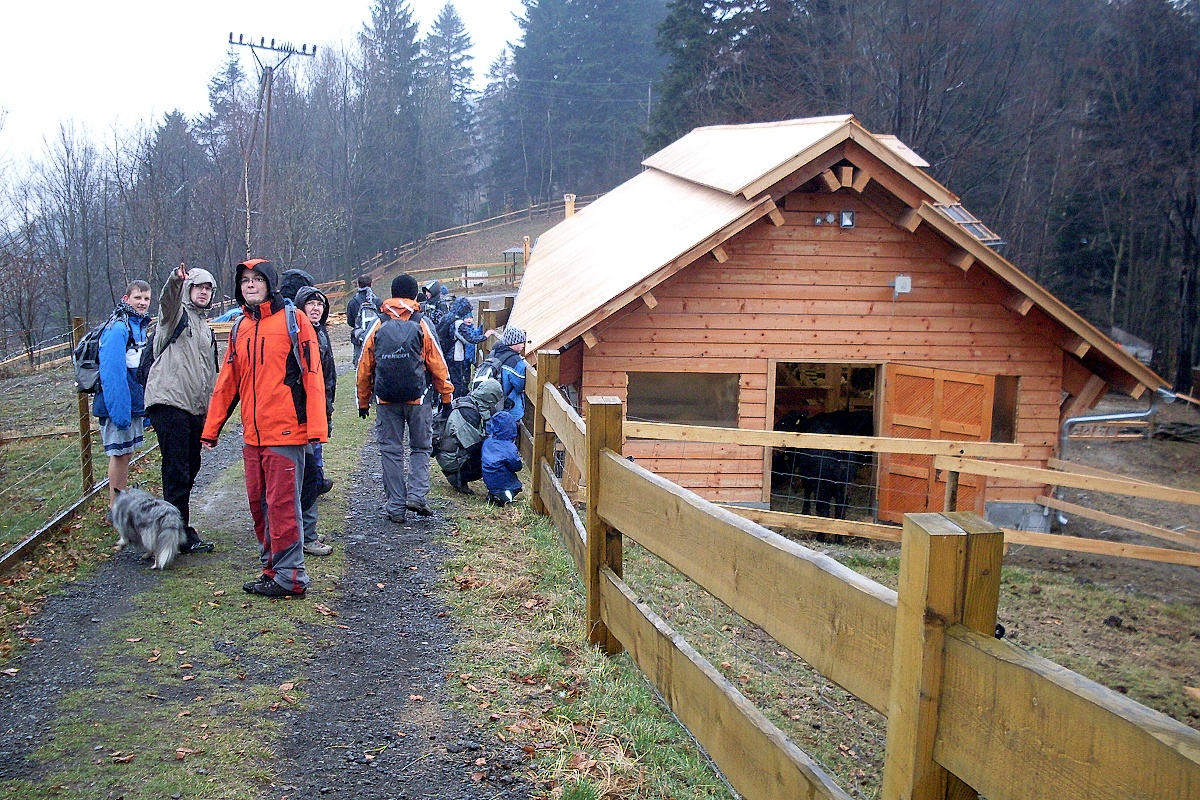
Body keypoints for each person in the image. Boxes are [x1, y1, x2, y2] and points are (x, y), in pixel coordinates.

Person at [201, 259, 328, 598]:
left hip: (286, 434)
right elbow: (228, 381)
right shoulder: (241, 327)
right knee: (259, 505)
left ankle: (291, 577)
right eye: (245, 280)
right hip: (252, 436)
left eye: (257, 279)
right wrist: (211, 429)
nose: (251, 285)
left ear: (270, 283)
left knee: (283, 506)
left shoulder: (295, 320)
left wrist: (315, 430)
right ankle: (272, 570)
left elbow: (312, 376)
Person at [356, 273, 454, 523]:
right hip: (418, 399)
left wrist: (364, 401)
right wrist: (446, 395)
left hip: (386, 400)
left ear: (392, 292)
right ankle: (417, 496)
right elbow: (437, 362)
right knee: (420, 447)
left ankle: (395, 507)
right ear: (413, 295)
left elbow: (364, 367)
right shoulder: (421, 322)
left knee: (391, 450)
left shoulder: (379, 322)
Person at [143, 263, 219, 554]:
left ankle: (175, 527)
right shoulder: (176, 317)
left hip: (194, 407)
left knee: (190, 465)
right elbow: (167, 300)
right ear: (189, 289)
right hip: (169, 402)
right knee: (177, 468)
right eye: (199, 287)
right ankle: (175, 536)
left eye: (208, 288)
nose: (204, 292)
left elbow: (208, 372)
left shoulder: (204, 327)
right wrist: (175, 280)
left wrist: (211, 413)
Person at [95, 280, 152, 509]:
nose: (142, 303)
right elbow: (112, 373)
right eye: (138, 298)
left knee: (126, 453)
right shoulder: (118, 328)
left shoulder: (138, 326)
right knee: (119, 454)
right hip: (118, 405)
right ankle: (115, 510)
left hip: (133, 403)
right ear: (126, 299)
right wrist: (120, 413)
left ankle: (119, 506)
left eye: (146, 298)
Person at [294, 285, 337, 557]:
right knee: (305, 476)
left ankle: (307, 531)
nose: (316, 308)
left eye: (320, 304)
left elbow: (327, 379)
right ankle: (304, 536)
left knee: (311, 473)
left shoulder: (321, 334)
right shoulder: (297, 335)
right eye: (310, 303)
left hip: (318, 413)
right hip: (301, 418)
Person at [436, 378, 504, 494]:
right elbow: (473, 446)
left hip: (449, 452)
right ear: (490, 398)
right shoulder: (469, 413)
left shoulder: (469, 401)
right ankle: (457, 477)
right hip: (451, 458)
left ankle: (457, 474)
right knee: (491, 460)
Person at [449, 297, 494, 399]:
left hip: (467, 358)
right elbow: (472, 338)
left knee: (466, 377)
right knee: (460, 379)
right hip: (461, 358)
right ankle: (461, 396)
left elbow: (475, 333)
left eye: (470, 318)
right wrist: (485, 336)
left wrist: (484, 325)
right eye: (466, 317)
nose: (469, 319)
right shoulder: (460, 328)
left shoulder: (470, 329)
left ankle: (464, 393)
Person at [482, 409, 524, 506]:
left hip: (488, 478)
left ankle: (494, 494)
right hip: (502, 480)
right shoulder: (509, 447)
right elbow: (516, 466)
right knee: (516, 487)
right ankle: (504, 498)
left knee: (496, 469)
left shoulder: (488, 442)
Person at [490, 326, 529, 419]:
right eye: (521, 342)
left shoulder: (495, 352)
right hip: (510, 407)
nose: (523, 345)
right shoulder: (516, 361)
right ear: (513, 343)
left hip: (493, 404)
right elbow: (519, 386)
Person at [346, 274, 377, 366]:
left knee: (360, 365)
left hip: (359, 339)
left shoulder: (353, 302)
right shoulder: (377, 302)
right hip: (374, 338)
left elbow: (350, 322)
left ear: (358, 285)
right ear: (371, 285)